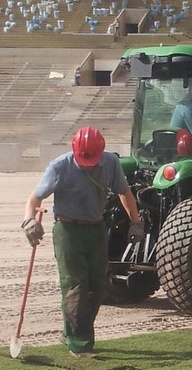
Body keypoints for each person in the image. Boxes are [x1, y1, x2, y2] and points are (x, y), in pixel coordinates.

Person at [21, 126, 145, 357]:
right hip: (68, 229)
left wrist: (136, 222)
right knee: (75, 286)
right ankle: (80, 344)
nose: (87, 164)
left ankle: (70, 333)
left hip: (97, 228)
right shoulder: (60, 167)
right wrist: (29, 221)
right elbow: (35, 197)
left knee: (98, 285)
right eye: (83, 159)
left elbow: (124, 192)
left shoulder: (110, 163)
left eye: (92, 159)